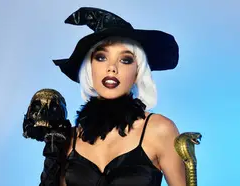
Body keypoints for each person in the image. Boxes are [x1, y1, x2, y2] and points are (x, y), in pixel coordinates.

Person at [40, 7, 187, 186]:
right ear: (89, 68)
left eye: (125, 60)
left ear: (137, 72)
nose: (112, 68)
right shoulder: (68, 139)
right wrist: (51, 161)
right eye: (101, 57)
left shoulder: (160, 130)